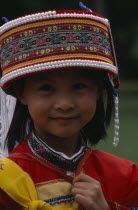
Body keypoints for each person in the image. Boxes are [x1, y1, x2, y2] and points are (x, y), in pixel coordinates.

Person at [0, 3, 138, 210]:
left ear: (99, 90)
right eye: (46, 88)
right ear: (21, 94)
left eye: (79, 86)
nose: (64, 104)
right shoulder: (6, 182)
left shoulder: (125, 176)